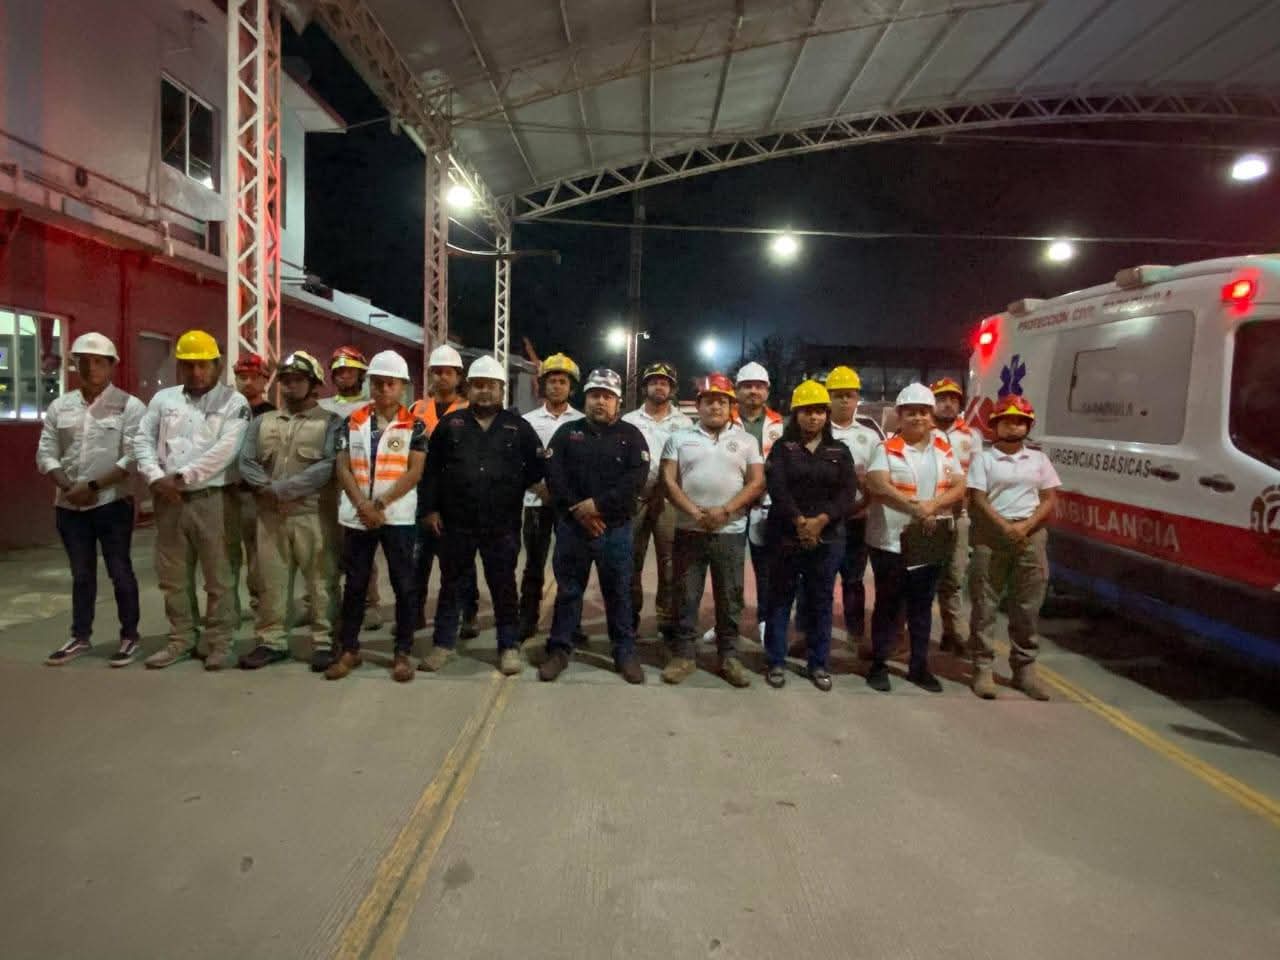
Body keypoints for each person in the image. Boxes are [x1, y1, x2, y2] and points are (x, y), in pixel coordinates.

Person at [419, 356, 543, 676]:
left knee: (503, 587)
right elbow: (431, 472)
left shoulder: (518, 428)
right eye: (478, 385)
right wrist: (430, 509)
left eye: (491, 386)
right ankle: (443, 644)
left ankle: (508, 647)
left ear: (502, 390)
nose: (484, 391)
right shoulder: (451, 425)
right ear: (469, 388)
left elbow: (537, 470)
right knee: (451, 585)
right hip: (456, 522)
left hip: (502, 524)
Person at [134, 330, 251, 670]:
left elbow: (226, 451)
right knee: (173, 577)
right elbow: (142, 440)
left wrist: (182, 478)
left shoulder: (235, 403)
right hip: (168, 501)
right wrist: (155, 477)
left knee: (220, 576)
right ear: (179, 366)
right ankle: (181, 639)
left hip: (214, 500)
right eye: (188, 365)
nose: (196, 372)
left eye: (203, 365)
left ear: (217, 365)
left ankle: (220, 642)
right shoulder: (164, 400)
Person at [37, 333, 146, 667]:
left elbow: (133, 456)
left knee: (120, 571)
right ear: (75, 365)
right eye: (83, 361)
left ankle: (130, 636)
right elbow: (46, 452)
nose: (90, 368)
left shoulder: (129, 406)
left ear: (112, 366)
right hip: (69, 505)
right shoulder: (60, 406)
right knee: (81, 574)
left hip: (112, 503)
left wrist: (94, 486)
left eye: (99, 362)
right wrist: (69, 487)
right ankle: (80, 636)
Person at [539, 369, 649, 683]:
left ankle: (624, 652)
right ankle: (560, 649)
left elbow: (635, 480)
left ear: (618, 402)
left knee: (618, 592)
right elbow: (554, 475)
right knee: (569, 591)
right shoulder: (567, 433)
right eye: (595, 395)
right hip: (574, 527)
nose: (600, 401)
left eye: (607, 396)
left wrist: (598, 506)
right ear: (585, 398)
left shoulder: (631, 436)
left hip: (615, 529)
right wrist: (580, 510)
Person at [325, 350, 426, 682]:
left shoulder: (415, 425)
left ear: (402, 387)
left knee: (404, 585)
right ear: (370, 384)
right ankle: (349, 649)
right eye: (378, 383)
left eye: (391, 383)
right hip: (358, 517)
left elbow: (415, 471)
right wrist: (362, 505)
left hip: (396, 517)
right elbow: (343, 466)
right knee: (355, 584)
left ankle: (402, 652)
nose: (384, 389)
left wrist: (379, 504)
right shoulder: (351, 421)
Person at [237, 351, 341, 670]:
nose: (290, 386)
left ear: (314, 384)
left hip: (314, 514)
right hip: (270, 516)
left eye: (297, 380)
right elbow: (246, 461)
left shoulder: (330, 423)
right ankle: (272, 641)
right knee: (270, 581)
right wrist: (267, 489)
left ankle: (325, 641)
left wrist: (283, 490)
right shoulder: (262, 422)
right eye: (285, 380)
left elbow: (328, 465)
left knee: (321, 581)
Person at [660, 373, 765, 688]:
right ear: (699, 405)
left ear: (731, 406)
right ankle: (684, 655)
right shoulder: (679, 438)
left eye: (722, 401)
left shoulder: (747, 441)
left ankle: (729, 656)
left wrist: (726, 510)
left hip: (730, 530)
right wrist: (694, 512)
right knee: (685, 593)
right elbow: (668, 481)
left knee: (730, 596)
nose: (715, 407)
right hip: (689, 529)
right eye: (709, 401)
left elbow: (757, 482)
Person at [863, 383, 966, 693]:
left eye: (923, 412)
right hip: (890, 541)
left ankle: (919, 666)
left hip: (928, 541)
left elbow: (960, 485)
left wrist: (932, 506)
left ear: (930, 415)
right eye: (911, 412)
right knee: (888, 606)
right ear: (900, 415)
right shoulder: (886, 449)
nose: (918, 418)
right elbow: (877, 484)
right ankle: (879, 664)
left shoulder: (943, 449)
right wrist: (915, 508)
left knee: (922, 607)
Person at [762, 380, 856, 691]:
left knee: (821, 601)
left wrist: (821, 521)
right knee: (780, 599)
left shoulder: (839, 451)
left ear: (826, 415)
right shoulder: (782, 448)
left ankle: (818, 664)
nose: (813, 417)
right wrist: (800, 521)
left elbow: (847, 493)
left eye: (818, 411)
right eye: (806, 411)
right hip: (786, 535)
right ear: (796, 414)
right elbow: (777, 488)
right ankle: (776, 661)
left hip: (828, 538)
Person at [966, 395, 1060, 701]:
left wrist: (1026, 525)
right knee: (985, 604)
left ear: (1027, 427)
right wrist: (1005, 526)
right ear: (995, 425)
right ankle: (982, 668)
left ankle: (1024, 670)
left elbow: (1049, 498)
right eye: (1007, 421)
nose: (1013, 426)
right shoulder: (985, 459)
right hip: (991, 535)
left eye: (1020, 422)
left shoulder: (1039, 460)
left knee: (1027, 605)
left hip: (1030, 536)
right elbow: (978, 498)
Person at [408, 343, 478, 636]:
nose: (441, 377)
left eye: (447, 372)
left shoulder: (470, 410)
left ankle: (469, 614)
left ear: (459, 376)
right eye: (436, 372)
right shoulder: (416, 409)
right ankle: (414, 615)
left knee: (461, 562)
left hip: (457, 498)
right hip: (420, 495)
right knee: (417, 562)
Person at [622, 361, 692, 643]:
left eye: (664, 382)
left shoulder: (684, 423)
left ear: (672, 389)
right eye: (654, 382)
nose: (659, 386)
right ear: (645, 387)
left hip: (669, 501)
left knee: (670, 562)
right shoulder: (630, 421)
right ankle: (630, 619)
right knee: (631, 559)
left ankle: (666, 620)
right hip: (636, 498)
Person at [518, 353, 585, 640]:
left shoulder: (582, 421)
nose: (556, 386)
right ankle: (527, 619)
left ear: (571, 388)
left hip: (570, 506)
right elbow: (519, 462)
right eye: (552, 381)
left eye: (562, 382)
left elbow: (584, 467)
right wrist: (538, 488)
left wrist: (564, 494)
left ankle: (570, 623)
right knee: (534, 564)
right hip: (536, 503)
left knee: (570, 566)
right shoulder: (527, 421)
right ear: (542, 385)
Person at [320, 345, 384, 632]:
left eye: (350, 371)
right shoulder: (322, 407)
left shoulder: (373, 407)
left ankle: (370, 604)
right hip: (327, 487)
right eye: (339, 371)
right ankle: (324, 604)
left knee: (361, 549)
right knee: (324, 549)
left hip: (360, 486)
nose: (344, 375)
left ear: (361, 375)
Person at [825, 365, 881, 647]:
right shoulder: (816, 430)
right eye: (838, 395)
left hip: (857, 519)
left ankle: (856, 635)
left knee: (853, 580)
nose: (845, 400)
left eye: (850, 395)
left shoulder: (870, 436)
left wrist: (866, 494)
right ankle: (811, 634)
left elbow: (879, 476)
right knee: (818, 579)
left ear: (858, 398)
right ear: (829, 398)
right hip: (824, 520)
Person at [931, 376, 982, 655]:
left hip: (959, 515)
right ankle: (900, 637)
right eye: (941, 398)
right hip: (926, 515)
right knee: (918, 576)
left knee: (954, 575)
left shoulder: (971, 436)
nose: (948, 404)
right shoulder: (922, 432)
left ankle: (954, 633)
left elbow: (977, 477)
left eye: (953, 399)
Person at [734, 361, 784, 641]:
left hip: (766, 506)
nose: (753, 391)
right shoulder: (725, 419)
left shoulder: (781, 424)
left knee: (766, 569)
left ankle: (765, 620)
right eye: (747, 386)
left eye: (759, 386)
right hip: (732, 505)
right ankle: (727, 621)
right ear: (737, 390)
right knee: (728, 569)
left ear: (767, 390)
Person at [233, 352, 275, 616]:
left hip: (256, 495)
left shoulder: (272, 415)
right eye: (242, 377)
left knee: (258, 550)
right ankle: (227, 605)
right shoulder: (228, 412)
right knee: (225, 552)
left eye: (253, 377)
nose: (247, 382)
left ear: (265, 381)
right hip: (226, 492)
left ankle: (261, 600)